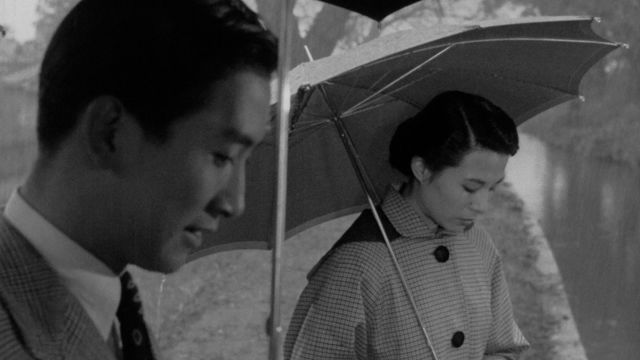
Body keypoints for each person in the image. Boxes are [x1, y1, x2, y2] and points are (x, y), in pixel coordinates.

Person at [0, 0, 277, 359]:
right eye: (222, 156)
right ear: (109, 132)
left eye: (246, 160)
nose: (235, 202)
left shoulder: (114, 311)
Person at [284, 91, 530, 360]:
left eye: (493, 188)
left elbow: (505, 348)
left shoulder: (477, 243)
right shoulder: (354, 266)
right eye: (470, 188)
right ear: (422, 169)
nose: (482, 205)